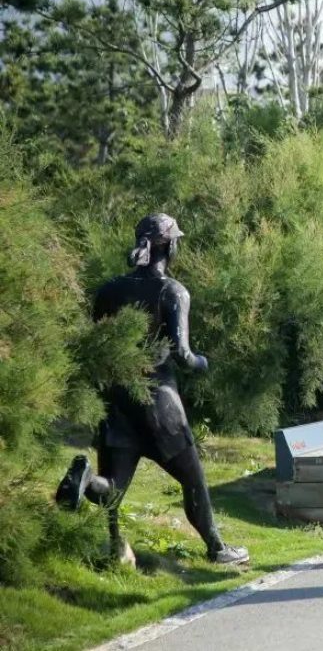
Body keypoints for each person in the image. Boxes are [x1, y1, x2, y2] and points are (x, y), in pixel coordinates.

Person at [54, 214, 248, 565]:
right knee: (194, 481)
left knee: (111, 487)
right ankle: (217, 548)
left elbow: (98, 346)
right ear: (171, 246)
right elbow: (183, 355)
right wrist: (205, 363)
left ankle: (84, 482)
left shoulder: (109, 290)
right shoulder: (172, 291)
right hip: (160, 405)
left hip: (117, 400)